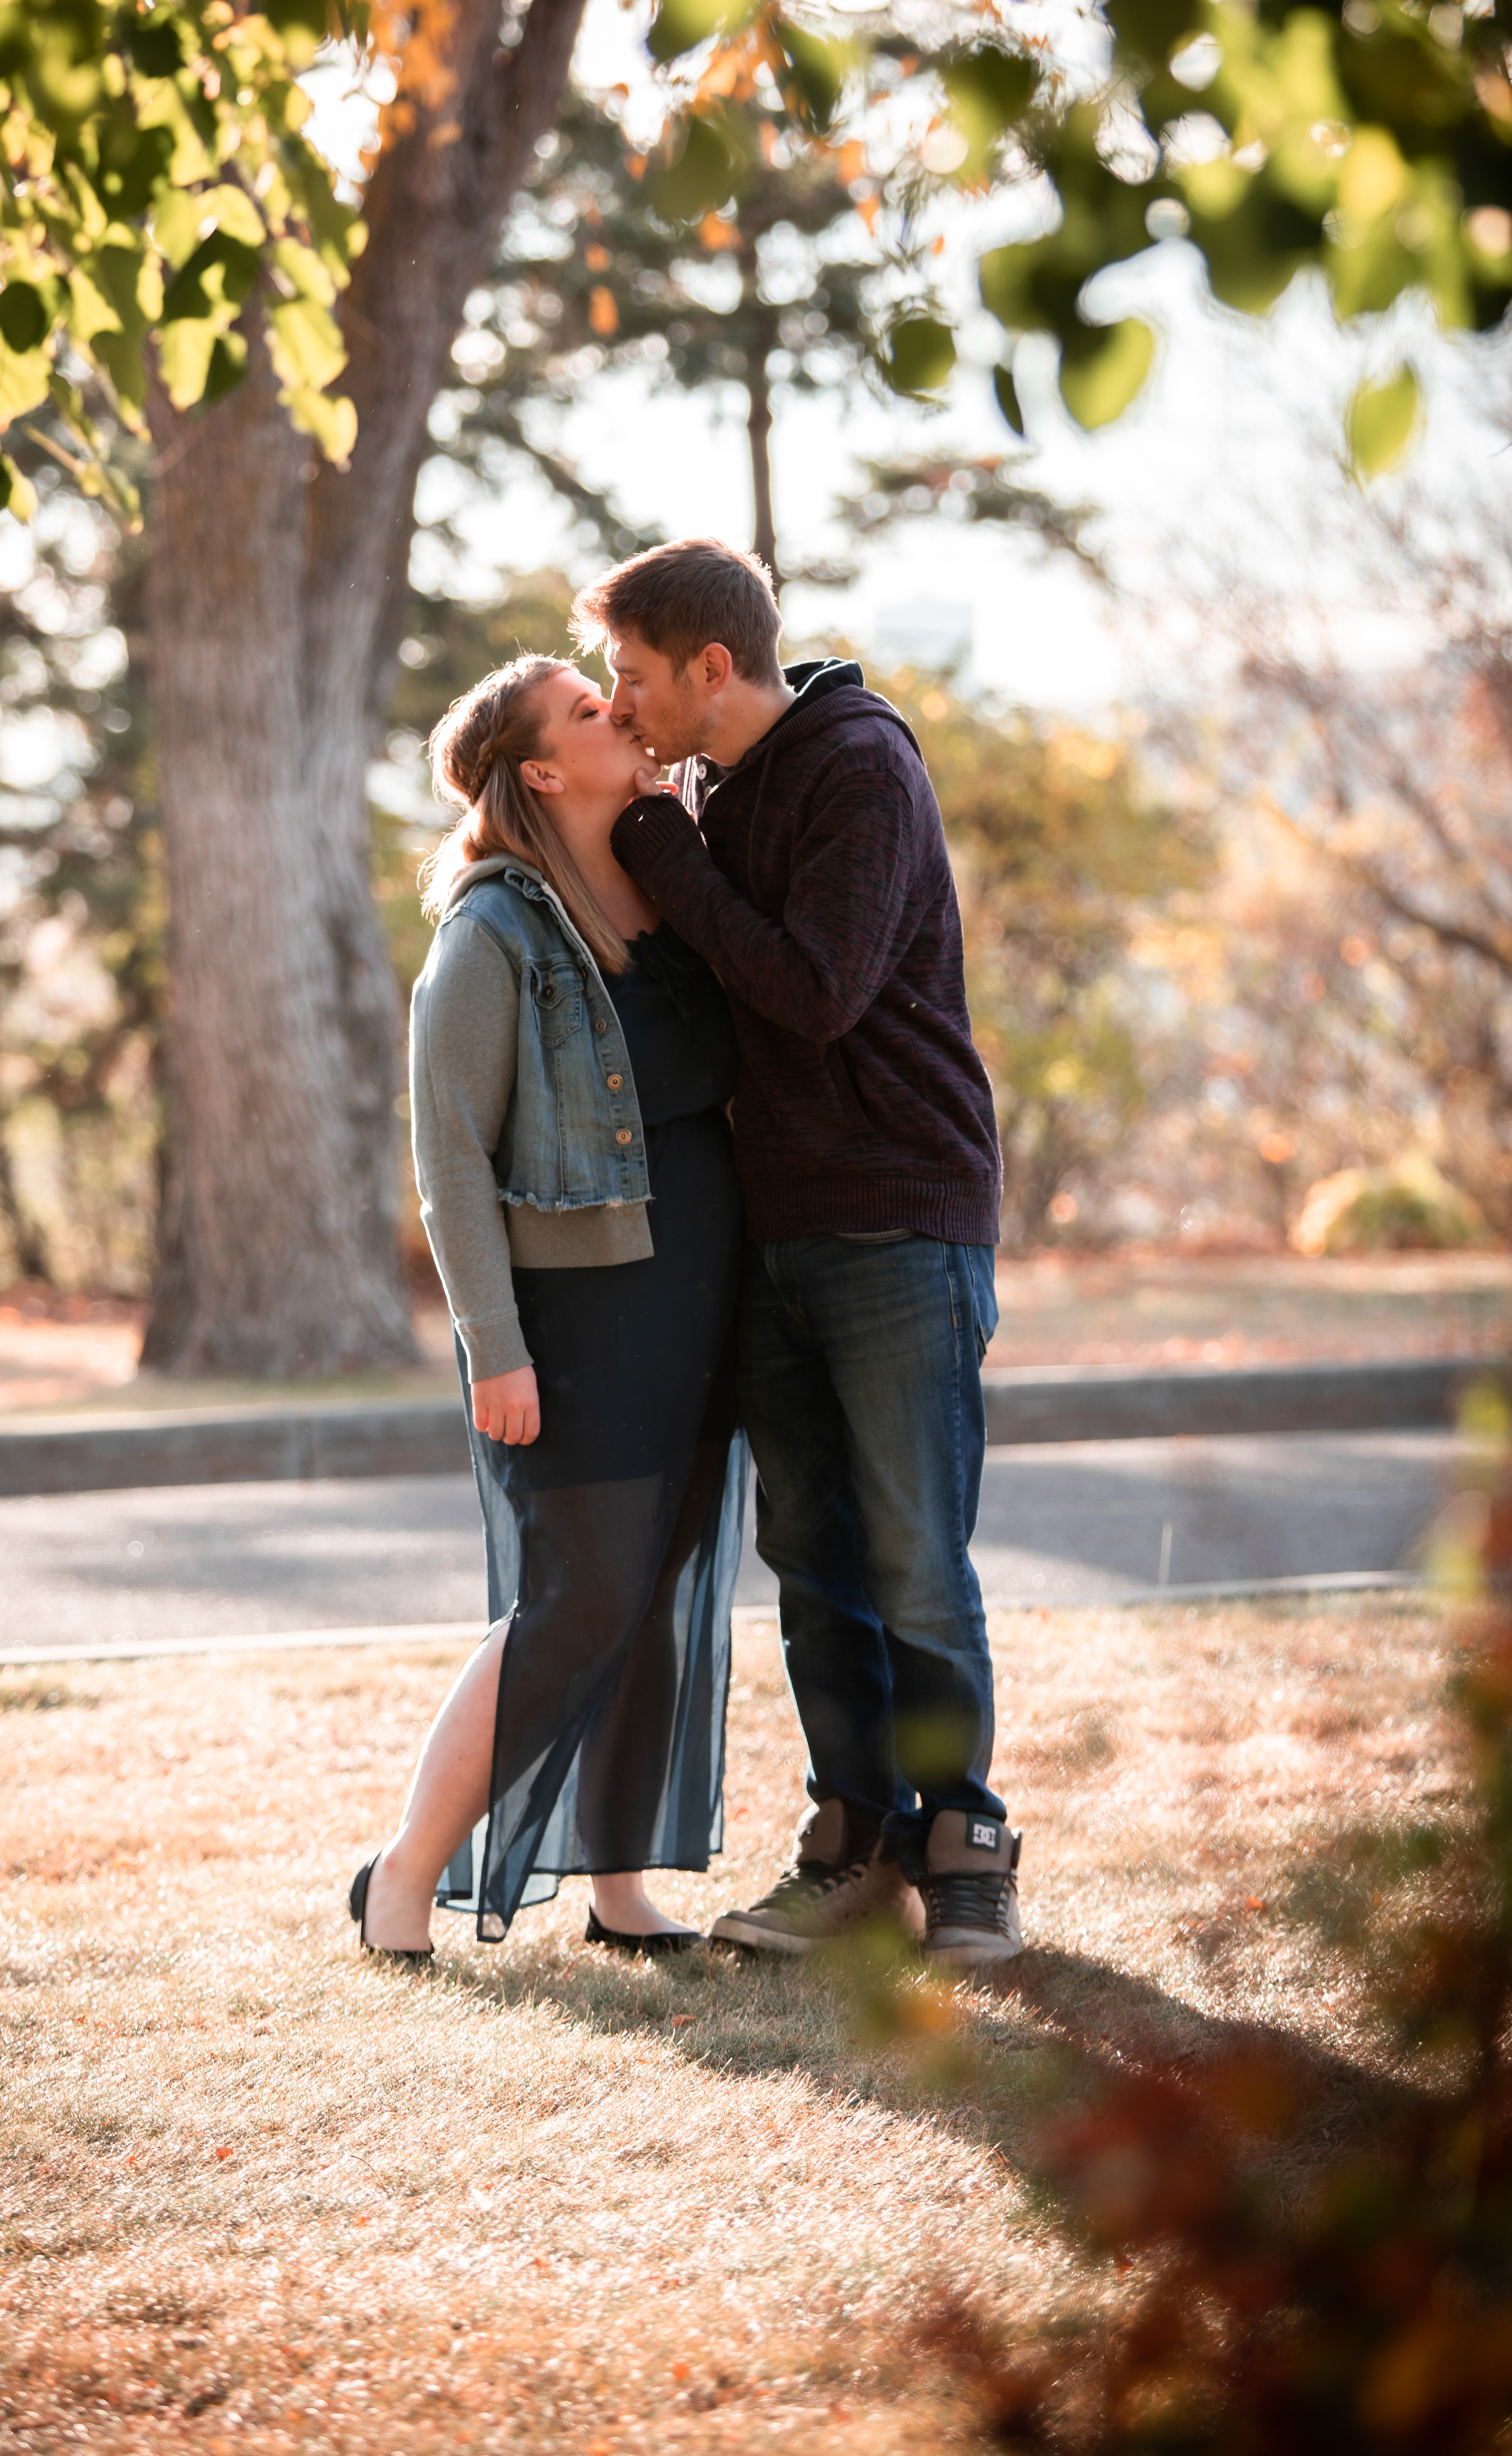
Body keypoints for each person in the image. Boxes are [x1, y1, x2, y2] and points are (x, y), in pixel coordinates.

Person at [566, 539, 1022, 1967]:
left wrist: (660, 850)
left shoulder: (856, 767)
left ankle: (966, 1843)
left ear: (713, 667)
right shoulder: (701, 785)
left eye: (631, 677)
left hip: (896, 1208)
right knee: (813, 1555)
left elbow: (817, 992)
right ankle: (852, 1838)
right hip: (773, 1227)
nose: (615, 702)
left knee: (915, 1556)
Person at [351, 652, 746, 1960]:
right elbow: (449, 1158)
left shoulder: (668, 898)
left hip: (699, 1301)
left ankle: (621, 1886)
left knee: (658, 1593)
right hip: (579, 1326)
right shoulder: (492, 936)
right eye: (590, 711)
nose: (619, 716)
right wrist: (493, 1351)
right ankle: (406, 1875)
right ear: (538, 768)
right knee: (578, 1600)